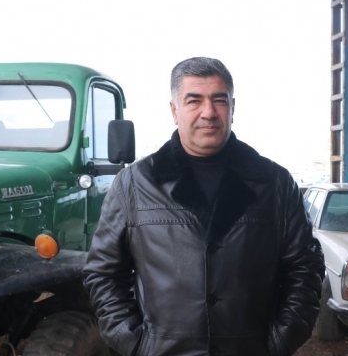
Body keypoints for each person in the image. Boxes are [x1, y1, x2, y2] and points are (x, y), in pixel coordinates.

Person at [83, 56, 325, 356]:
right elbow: (103, 273)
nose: (208, 112)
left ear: (232, 107)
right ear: (175, 110)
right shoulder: (134, 184)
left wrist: (280, 340)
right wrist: (135, 343)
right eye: (194, 100)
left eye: (219, 100)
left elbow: (305, 266)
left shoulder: (274, 183)